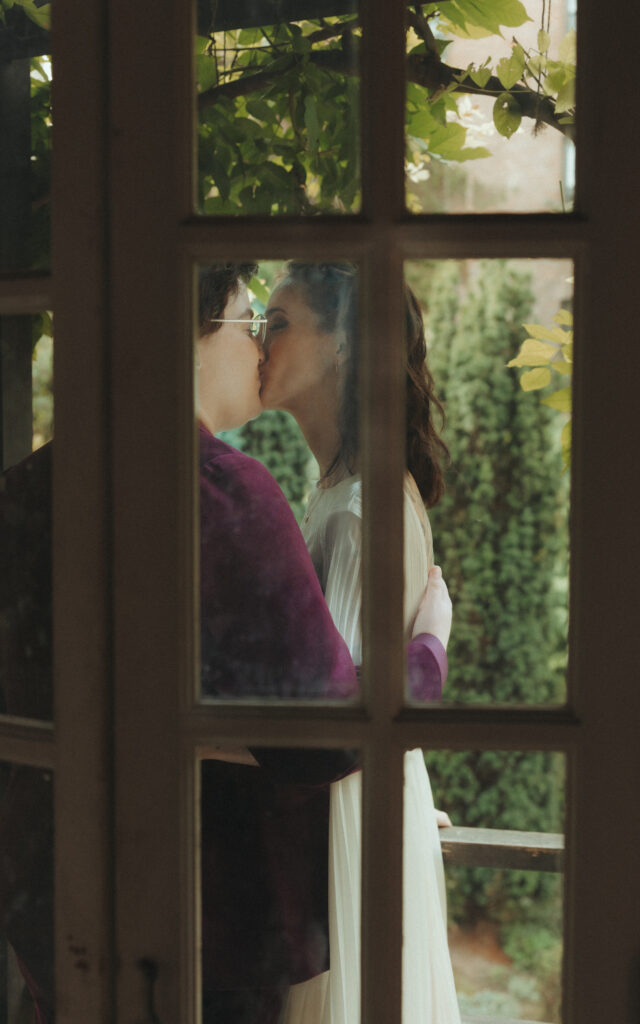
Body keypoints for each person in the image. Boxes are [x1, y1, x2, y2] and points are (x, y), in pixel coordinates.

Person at [0, 263, 452, 1024]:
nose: (260, 350)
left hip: (48, 902)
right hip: (206, 928)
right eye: (251, 325)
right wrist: (430, 649)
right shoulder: (225, 493)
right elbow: (320, 736)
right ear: (196, 336)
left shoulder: (23, 489)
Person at [261, 262, 461, 1023]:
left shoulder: (353, 508)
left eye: (278, 323)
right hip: (368, 808)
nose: (258, 343)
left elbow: (335, 723)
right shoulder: (340, 490)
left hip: (342, 834)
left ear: (342, 342)